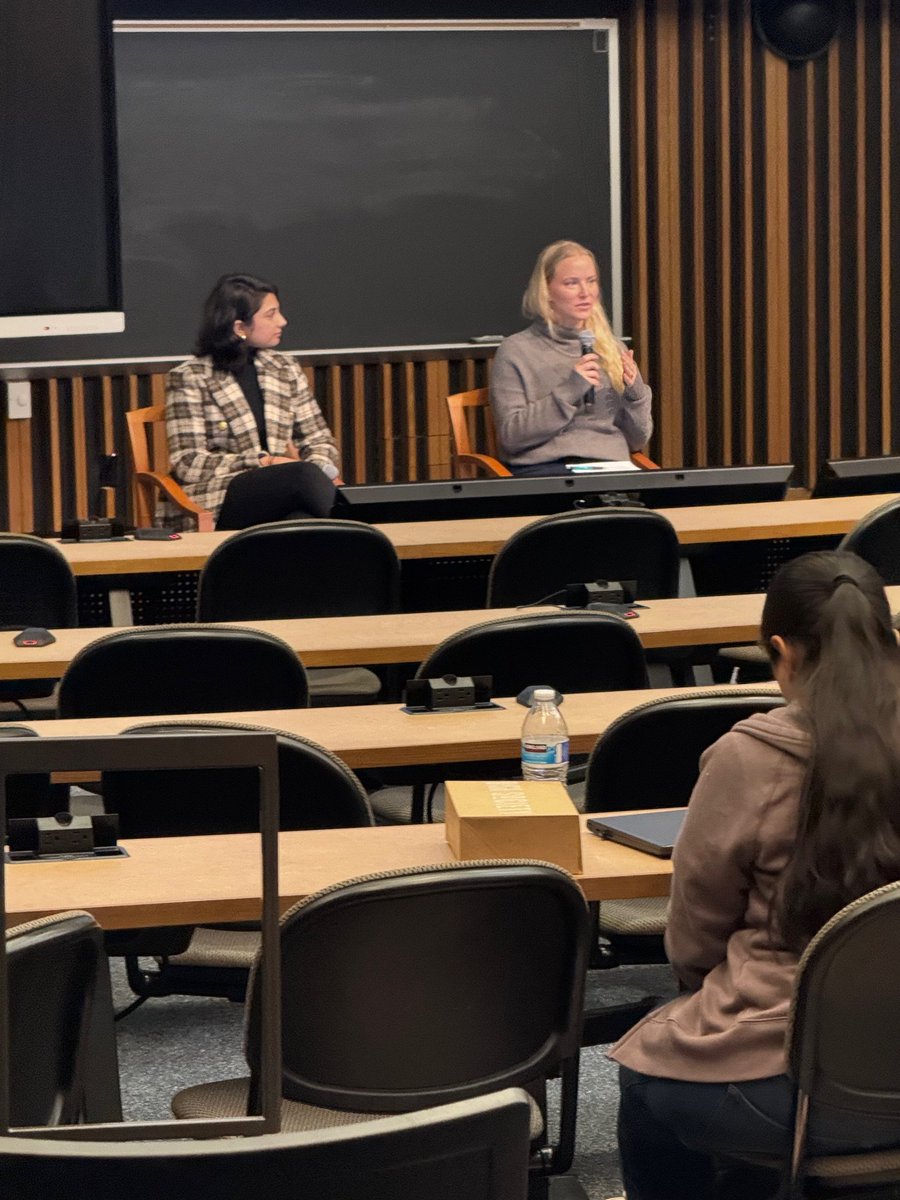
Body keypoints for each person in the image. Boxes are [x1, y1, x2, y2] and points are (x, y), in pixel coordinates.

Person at [610, 549, 900, 1199]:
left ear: (782, 652)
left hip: (795, 1092)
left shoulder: (749, 759)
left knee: (644, 1072)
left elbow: (694, 942)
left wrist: (710, 994)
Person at [163, 273, 341, 530]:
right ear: (240, 328)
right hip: (223, 494)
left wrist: (317, 465)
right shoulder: (190, 377)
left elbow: (319, 439)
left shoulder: (284, 368)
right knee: (300, 477)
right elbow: (188, 462)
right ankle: (361, 522)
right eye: (271, 314)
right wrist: (264, 462)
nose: (283, 321)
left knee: (300, 521)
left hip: (287, 491)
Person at [489, 240, 652, 475]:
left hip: (609, 468)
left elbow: (637, 440)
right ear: (546, 291)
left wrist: (635, 393)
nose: (586, 293)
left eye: (591, 281)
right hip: (546, 468)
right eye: (571, 283)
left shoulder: (610, 347)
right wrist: (569, 390)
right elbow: (511, 437)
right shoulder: (516, 350)